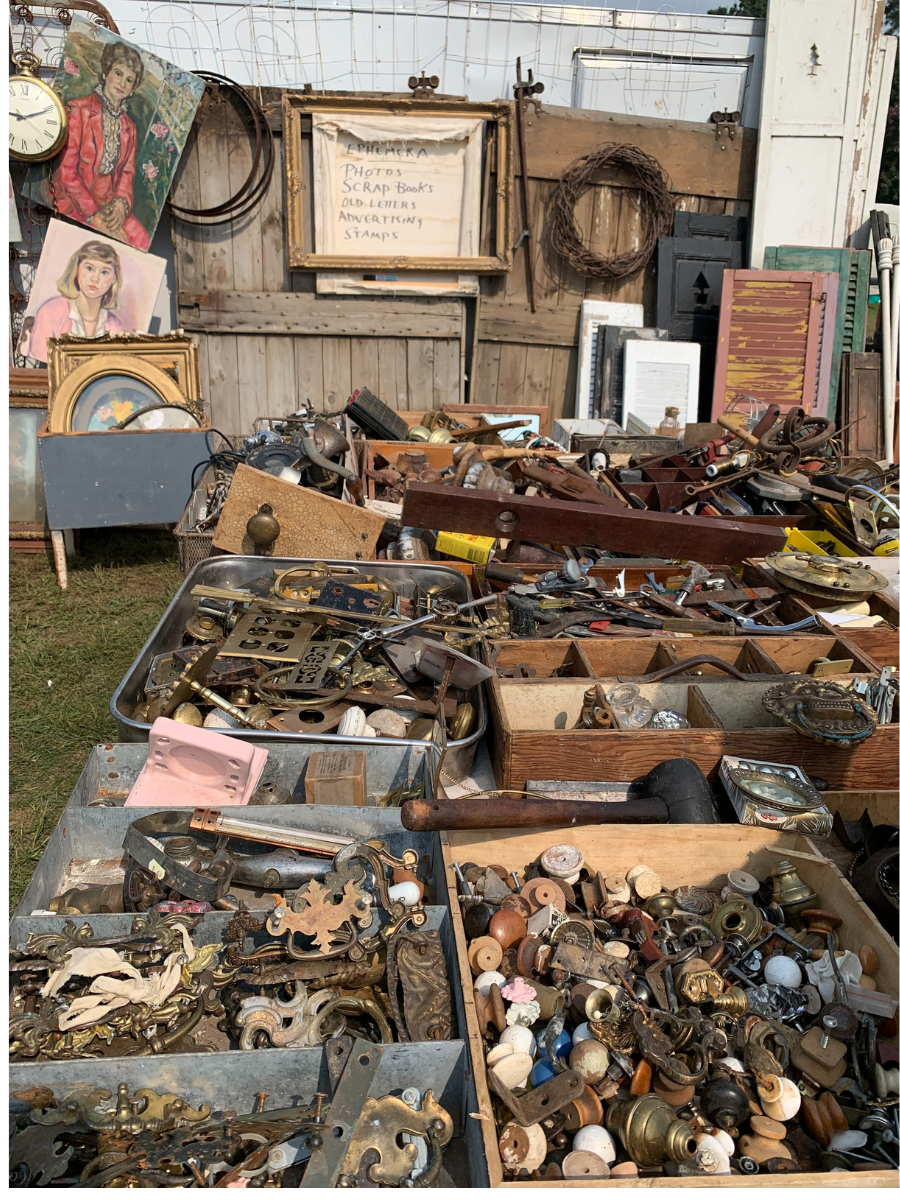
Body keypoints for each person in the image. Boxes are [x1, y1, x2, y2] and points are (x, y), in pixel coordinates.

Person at [51, 41, 150, 250]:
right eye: (118, 73)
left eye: (130, 79)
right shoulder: (80, 110)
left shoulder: (129, 127)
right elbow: (67, 172)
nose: (122, 83)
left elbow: (126, 173)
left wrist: (121, 204)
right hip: (76, 198)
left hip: (109, 202)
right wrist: (94, 215)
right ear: (106, 73)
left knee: (141, 241)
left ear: (133, 88)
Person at [24, 239, 126, 362]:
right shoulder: (52, 311)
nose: (95, 278)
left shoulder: (115, 325)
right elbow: (40, 357)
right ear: (77, 269)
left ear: (114, 278)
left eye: (104, 272)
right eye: (89, 268)